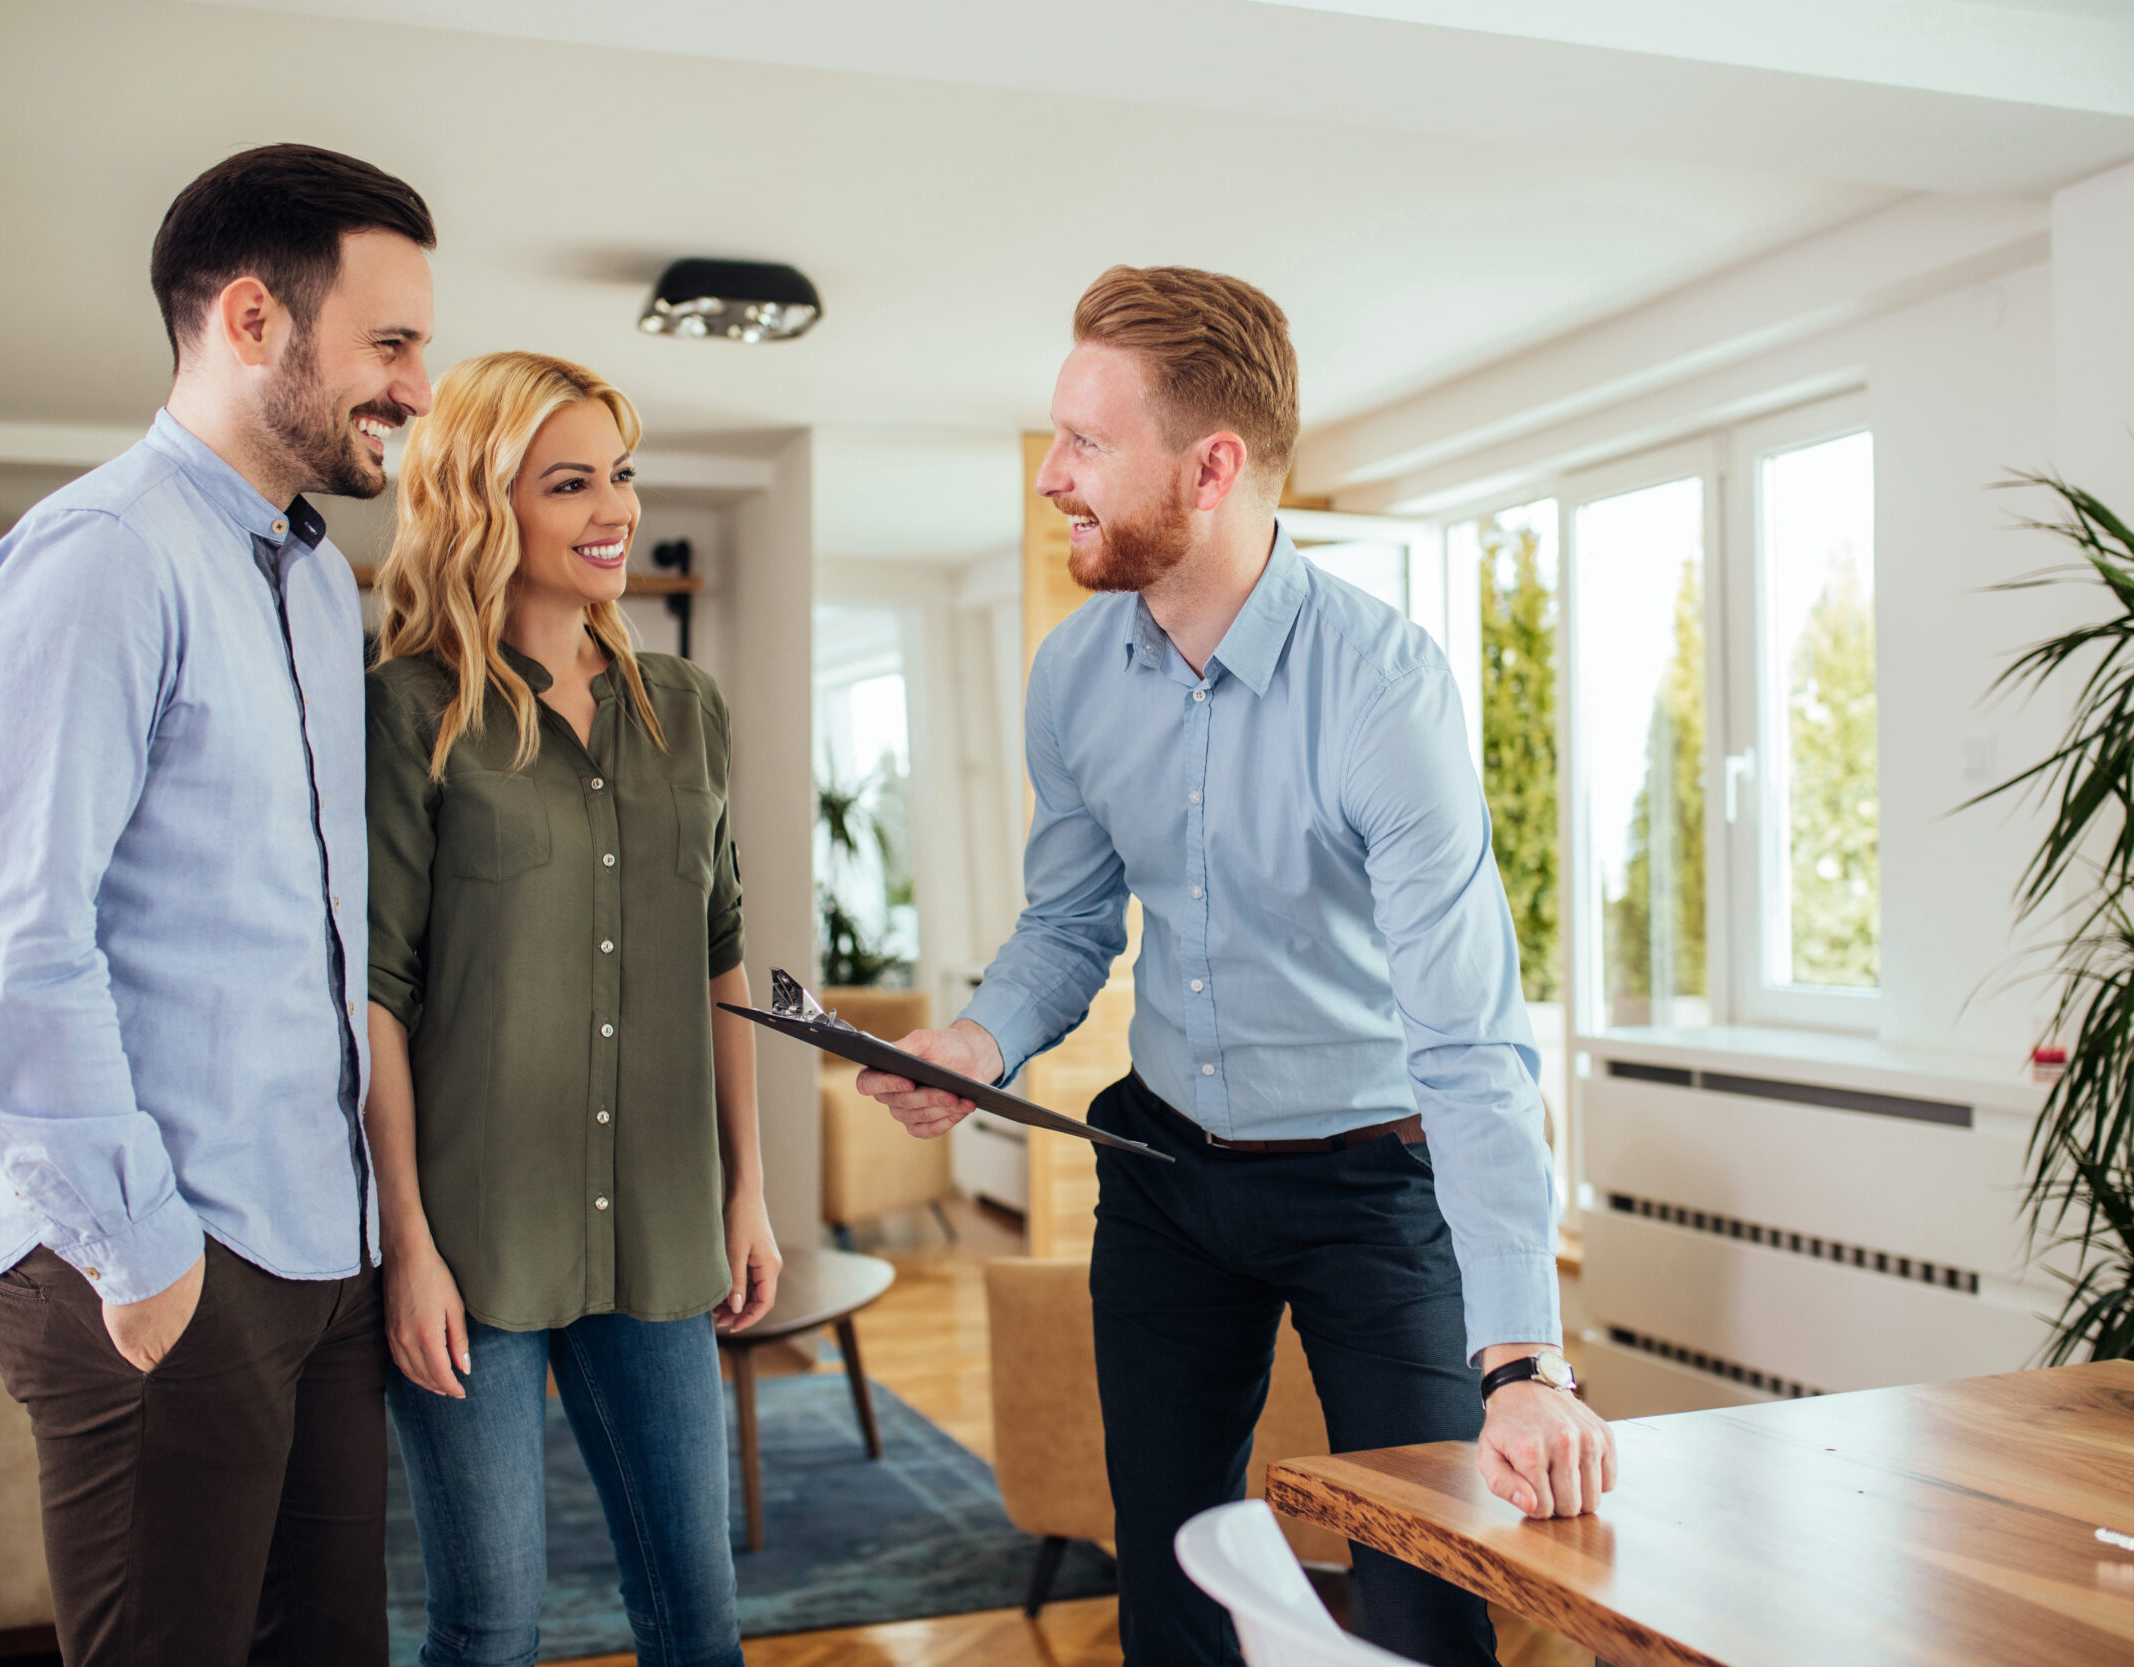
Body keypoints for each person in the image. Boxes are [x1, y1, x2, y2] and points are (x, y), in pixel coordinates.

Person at [858, 266, 1616, 1666]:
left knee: (1425, 1586)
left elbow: (1471, 1035)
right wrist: (976, 1046)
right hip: (1165, 1176)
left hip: (1368, 1186)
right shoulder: (1074, 677)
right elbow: (1069, 925)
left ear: (1211, 468)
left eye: (1087, 444)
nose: (1053, 480)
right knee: (1175, 1573)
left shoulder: (1384, 693)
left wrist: (1525, 1362)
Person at [0, 143, 435, 1665]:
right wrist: (146, 1257)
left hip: (316, 1243)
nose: (420, 386)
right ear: (249, 319)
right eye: (392, 341)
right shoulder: (101, 561)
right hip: (158, 1251)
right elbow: (20, 951)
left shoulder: (305, 574)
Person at [365, 350, 779, 1667]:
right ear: (488, 505)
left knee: (697, 1617)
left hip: (659, 1229)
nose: (613, 510)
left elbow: (722, 953)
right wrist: (407, 1242)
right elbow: (376, 990)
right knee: (489, 1627)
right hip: (473, 1244)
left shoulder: (689, 711)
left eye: (620, 475)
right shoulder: (409, 712)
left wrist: (746, 1188)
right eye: (569, 483)